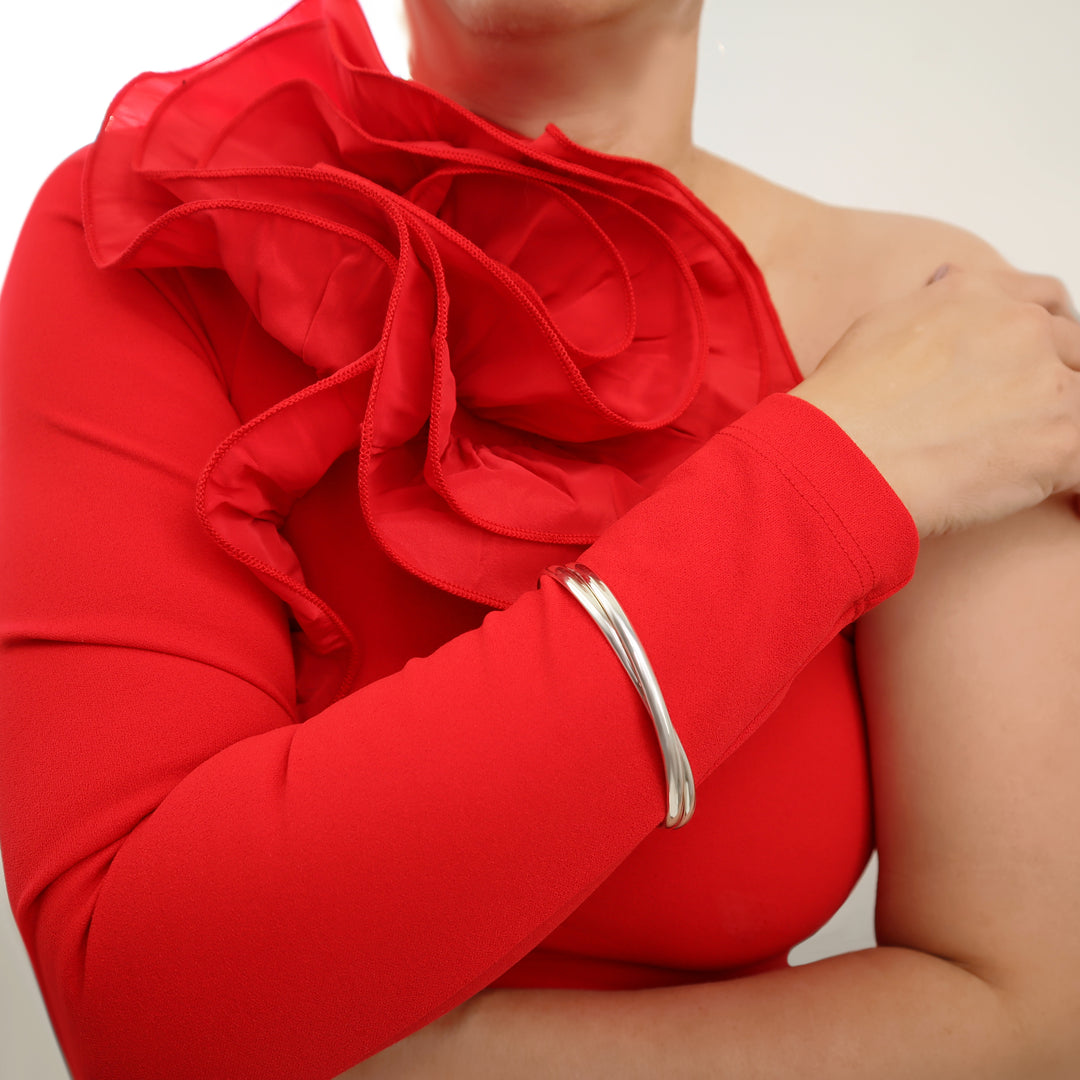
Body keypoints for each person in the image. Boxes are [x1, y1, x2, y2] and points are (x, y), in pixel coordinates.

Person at [0, 0, 1078, 1078]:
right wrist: (836, 472)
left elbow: (1025, 1016)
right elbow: (144, 1001)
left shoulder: (941, 322)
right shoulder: (159, 229)